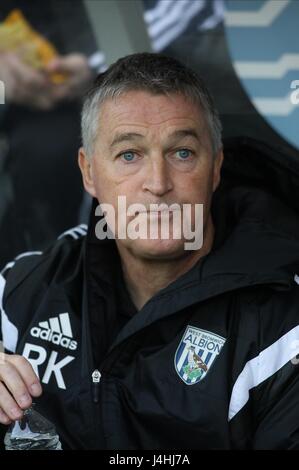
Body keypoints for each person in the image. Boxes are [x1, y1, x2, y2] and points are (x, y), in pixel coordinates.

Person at [0, 53, 299, 450]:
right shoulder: (29, 284)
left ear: (216, 168)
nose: (158, 183)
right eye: (129, 155)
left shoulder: (284, 329)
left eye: (182, 153)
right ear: (89, 172)